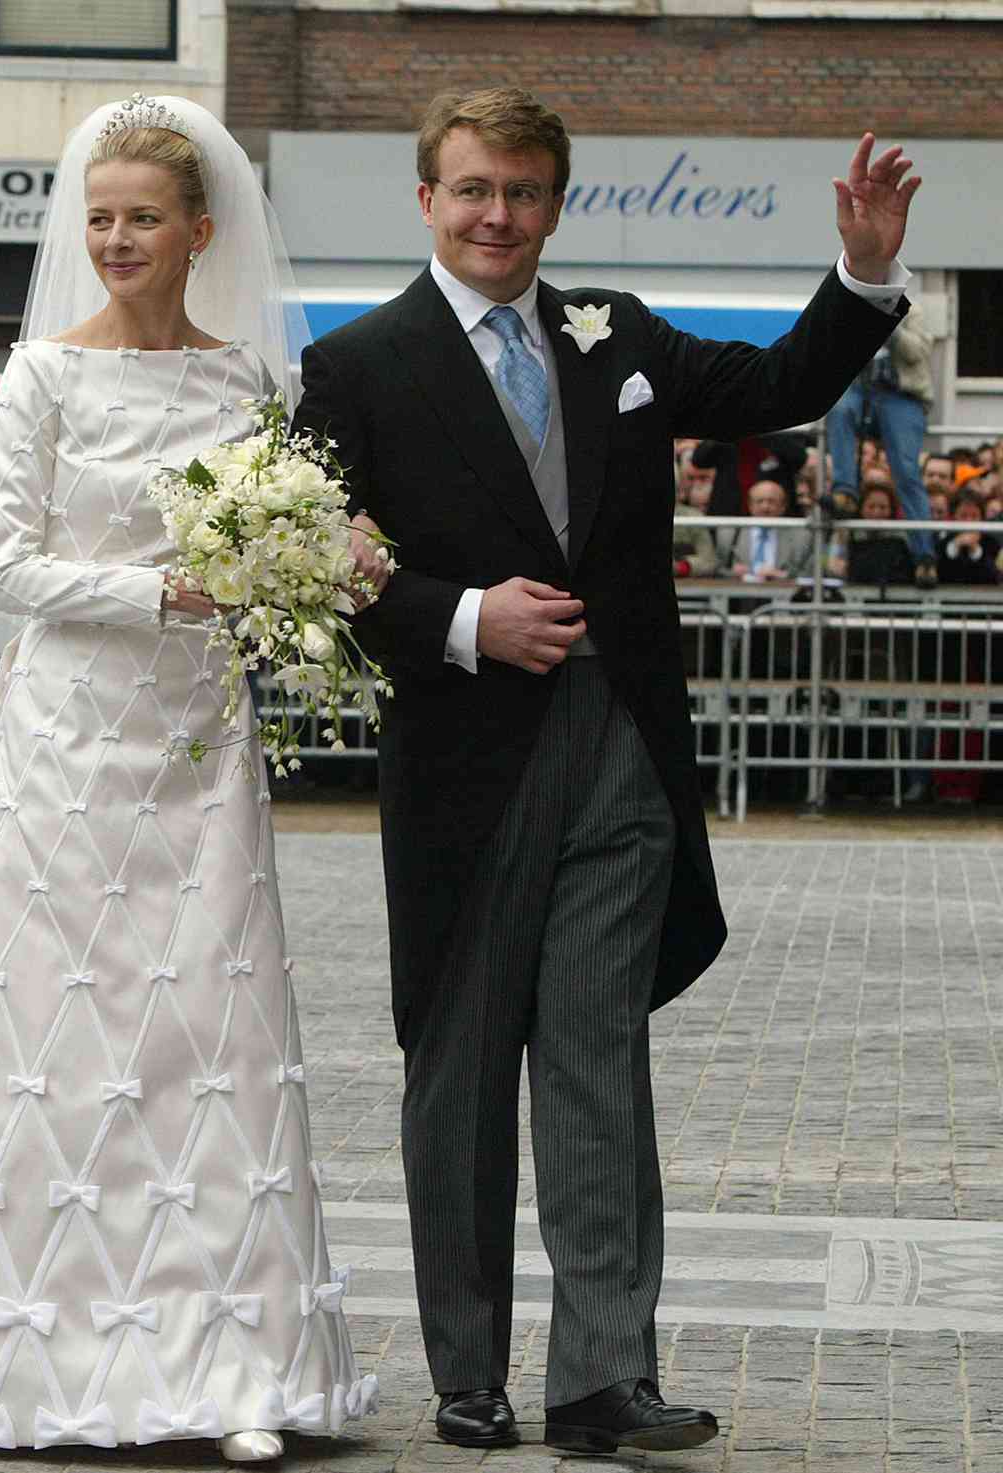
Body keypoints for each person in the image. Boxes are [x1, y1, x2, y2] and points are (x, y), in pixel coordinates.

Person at [291, 87, 916, 1456]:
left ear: (555, 202)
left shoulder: (613, 331)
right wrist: (462, 620)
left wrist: (864, 272)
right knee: (458, 1076)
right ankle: (468, 1369)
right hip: (464, 765)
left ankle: (600, 1377)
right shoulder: (356, 365)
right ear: (426, 200)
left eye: (521, 191)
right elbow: (308, 565)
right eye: (472, 190)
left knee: (597, 1063)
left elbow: (775, 392)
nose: (497, 215)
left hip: (622, 755)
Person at [0, 94, 388, 1464]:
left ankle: (233, 1364)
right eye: (103, 219)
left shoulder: (248, 383)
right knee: (63, 1037)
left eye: (145, 218)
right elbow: (2, 569)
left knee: (211, 1024)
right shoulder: (44, 378)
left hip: (198, 740)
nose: (120, 239)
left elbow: (275, 544)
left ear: (201, 231)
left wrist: (311, 564)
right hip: (70, 741)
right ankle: (39, 1355)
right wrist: (165, 586)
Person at [827, 307, 934, 580]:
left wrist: (889, 324)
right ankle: (845, 491)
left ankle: (924, 556)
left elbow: (917, 353)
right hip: (861, 391)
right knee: (838, 410)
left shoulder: (913, 312)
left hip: (902, 396)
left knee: (906, 472)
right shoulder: (854, 305)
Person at [721, 479, 818, 581]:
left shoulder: (801, 536)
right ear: (750, 505)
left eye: (771, 501)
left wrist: (783, 576)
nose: (765, 507)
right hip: (740, 593)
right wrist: (732, 573)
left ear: (783, 507)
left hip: (783, 593)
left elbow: (809, 574)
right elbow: (716, 571)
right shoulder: (729, 533)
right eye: (759, 501)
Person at [832, 482, 914, 586]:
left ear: (891, 510)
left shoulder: (902, 536)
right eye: (871, 507)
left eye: (883, 507)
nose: (876, 513)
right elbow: (835, 566)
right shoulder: (848, 533)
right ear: (861, 508)